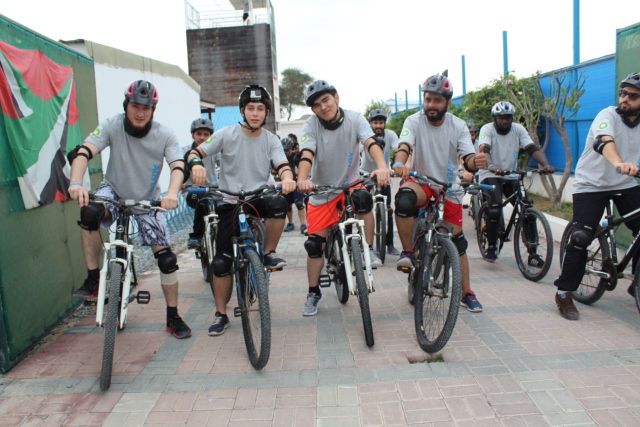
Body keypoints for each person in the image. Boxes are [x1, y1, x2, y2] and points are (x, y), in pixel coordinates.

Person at [68, 80, 192, 339]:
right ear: (126, 106)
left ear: (153, 110)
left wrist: (171, 193)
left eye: (146, 108)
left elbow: (178, 165)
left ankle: (173, 316)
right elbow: (84, 152)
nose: (140, 112)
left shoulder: (165, 134)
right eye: (135, 106)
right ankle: (93, 279)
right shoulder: (112, 125)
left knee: (167, 260)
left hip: (147, 199)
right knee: (89, 212)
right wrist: (76, 182)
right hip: (113, 191)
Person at [187, 84, 296, 335]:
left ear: (266, 112)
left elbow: (282, 164)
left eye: (260, 109)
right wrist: (196, 165)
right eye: (250, 108)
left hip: (259, 197)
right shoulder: (225, 134)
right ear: (242, 110)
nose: (255, 113)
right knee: (220, 263)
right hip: (230, 201)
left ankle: (268, 253)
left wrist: (288, 178)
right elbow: (195, 152)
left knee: (279, 203)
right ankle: (221, 314)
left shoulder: (270, 139)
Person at [392, 73, 487, 313]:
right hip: (422, 181)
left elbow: (468, 158)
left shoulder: (458, 125)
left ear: (448, 102)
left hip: (448, 187)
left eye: (437, 100)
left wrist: (475, 163)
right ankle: (408, 252)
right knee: (403, 200)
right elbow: (404, 145)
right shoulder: (414, 121)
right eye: (428, 99)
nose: (431, 105)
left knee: (458, 243)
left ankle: (466, 293)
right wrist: (399, 163)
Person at [296, 80, 390, 316]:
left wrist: (382, 167)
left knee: (364, 199)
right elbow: (307, 153)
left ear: (336, 98)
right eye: (316, 105)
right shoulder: (311, 126)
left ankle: (368, 249)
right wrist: (303, 179)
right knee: (314, 245)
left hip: (350, 184)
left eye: (326, 100)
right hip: (322, 191)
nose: (323, 107)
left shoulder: (355, 118)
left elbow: (370, 142)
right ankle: (313, 292)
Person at [553, 72, 640, 321]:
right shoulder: (607, 115)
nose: (625, 99)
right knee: (581, 236)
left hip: (624, 183)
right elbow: (603, 141)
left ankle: (637, 282)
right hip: (591, 184)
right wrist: (619, 163)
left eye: (632, 96)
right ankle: (564, 293)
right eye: (623, 93)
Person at [477, 101, 555, 262]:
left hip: (510, 174)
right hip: (490, 174)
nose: (505, 120)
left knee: (526, 209)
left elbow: (531, 148)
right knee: (494, 209)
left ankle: (533, 253)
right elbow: (484, 149)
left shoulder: (518, 129)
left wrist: (545, 164)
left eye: (508, 117)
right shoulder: (487, 129)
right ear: (495, 118)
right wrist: (491, 166)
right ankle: (491, 246)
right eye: (501, 118)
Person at [362, 109, 400, 255]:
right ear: (370, 123)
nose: (378, 125)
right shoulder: (365, 135)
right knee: (363, 208)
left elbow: (397, 150)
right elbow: (359, 150)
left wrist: (399, 165)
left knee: (388, 209)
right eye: (375, 123)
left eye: (381, 122)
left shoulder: (390, 135)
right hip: (366, 174)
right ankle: (366, 243)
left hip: (384, 175)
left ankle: (390, 244)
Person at [182, 118, 218, 249]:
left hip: (213, 190)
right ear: (193, 135)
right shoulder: (184, 151)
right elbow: (178, 170)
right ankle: (196, 236)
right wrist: (182, 182)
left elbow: (227, 165)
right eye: (199, 134)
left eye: (206, 134)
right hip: (192, 191)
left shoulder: (215, 151)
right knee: (202, 198)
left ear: (211, 136)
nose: (202, 137)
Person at [280, 137, 307, 233]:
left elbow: (302, 168)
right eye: (283, 150)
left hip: (296, 183)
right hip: (285, 184)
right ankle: (291, 223)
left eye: (286, 150)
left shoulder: (296, 157)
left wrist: (300, 178)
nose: (285, 152)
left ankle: (303, 224)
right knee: (287, 205)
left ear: (291, 149)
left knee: (299, 204)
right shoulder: (280, 158)